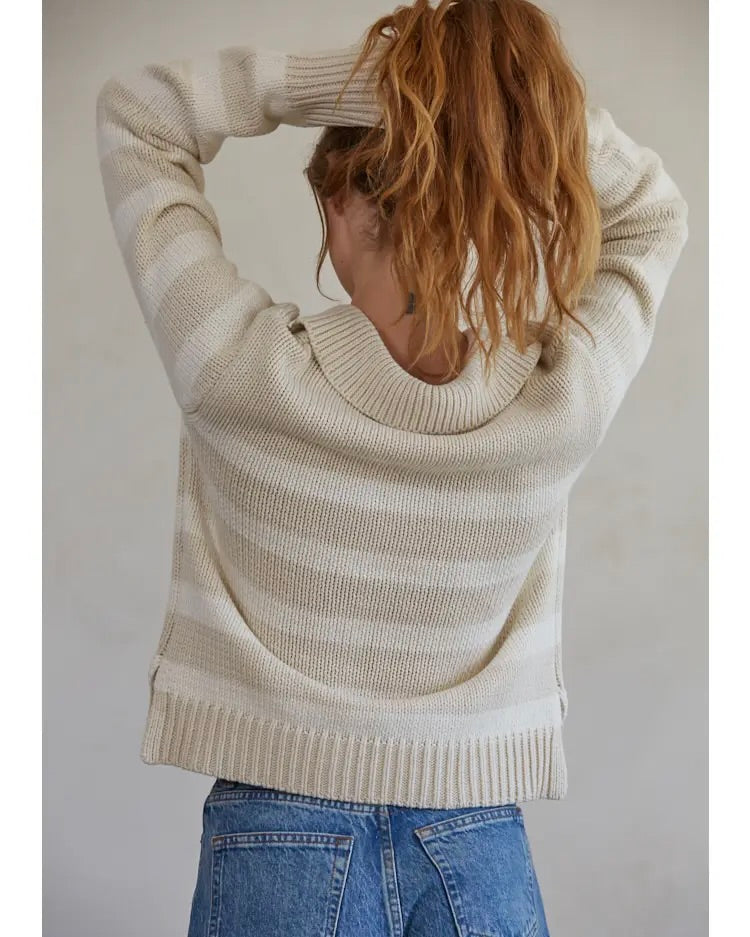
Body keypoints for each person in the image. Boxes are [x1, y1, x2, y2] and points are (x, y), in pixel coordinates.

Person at [94, 1, 689, 934]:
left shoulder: (235, 370)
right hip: (477, 842)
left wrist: (383, 81)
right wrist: (492, 102)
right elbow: (654, 214)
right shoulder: (552, 407)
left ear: (337, 205)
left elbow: (139, 113)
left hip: (276, 829)